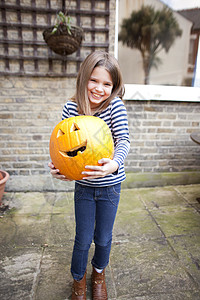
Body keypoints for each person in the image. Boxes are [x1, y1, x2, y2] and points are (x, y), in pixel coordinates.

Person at [48, 50, 130, 300]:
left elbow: (124, 140)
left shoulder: (114, 106)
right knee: (82, 238)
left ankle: (98, 274)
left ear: (114, 87)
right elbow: (63, 144)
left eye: (107, 84)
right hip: (83, 186)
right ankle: (79, 281)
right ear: (84, 78)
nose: (99, 88)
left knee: (103, 238)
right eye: (94, 80)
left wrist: (114, 164)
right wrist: (58, 167)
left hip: (110, 187)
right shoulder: (71, 108)